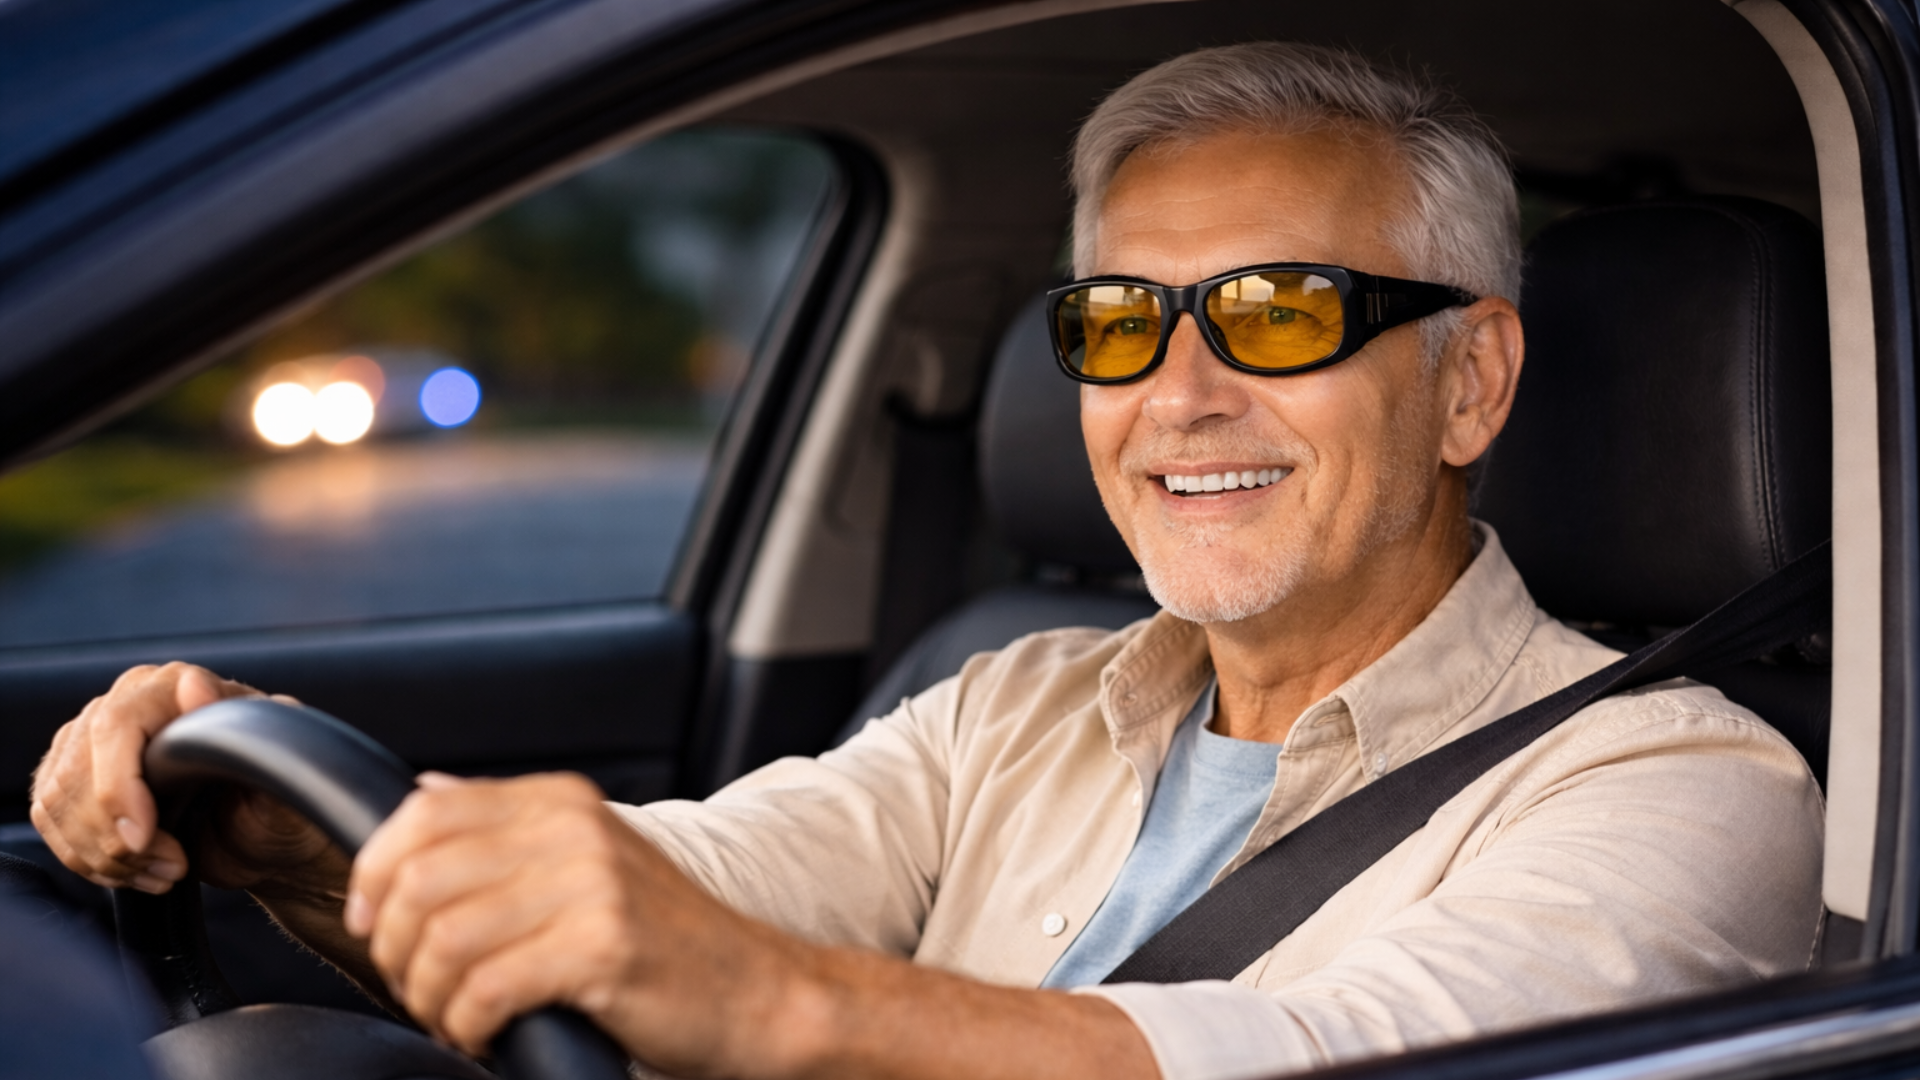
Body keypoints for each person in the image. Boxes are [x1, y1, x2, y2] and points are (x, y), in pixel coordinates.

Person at [29, 42, 1823, 1080]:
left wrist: (764, 1001)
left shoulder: (1681, 784)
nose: (1178, 393)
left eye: (1277, 311)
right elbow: (674, 888)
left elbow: (1318, 1062)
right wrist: (304, 842)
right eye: (1121, 322)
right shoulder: (1021, 701)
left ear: (1470, 382)